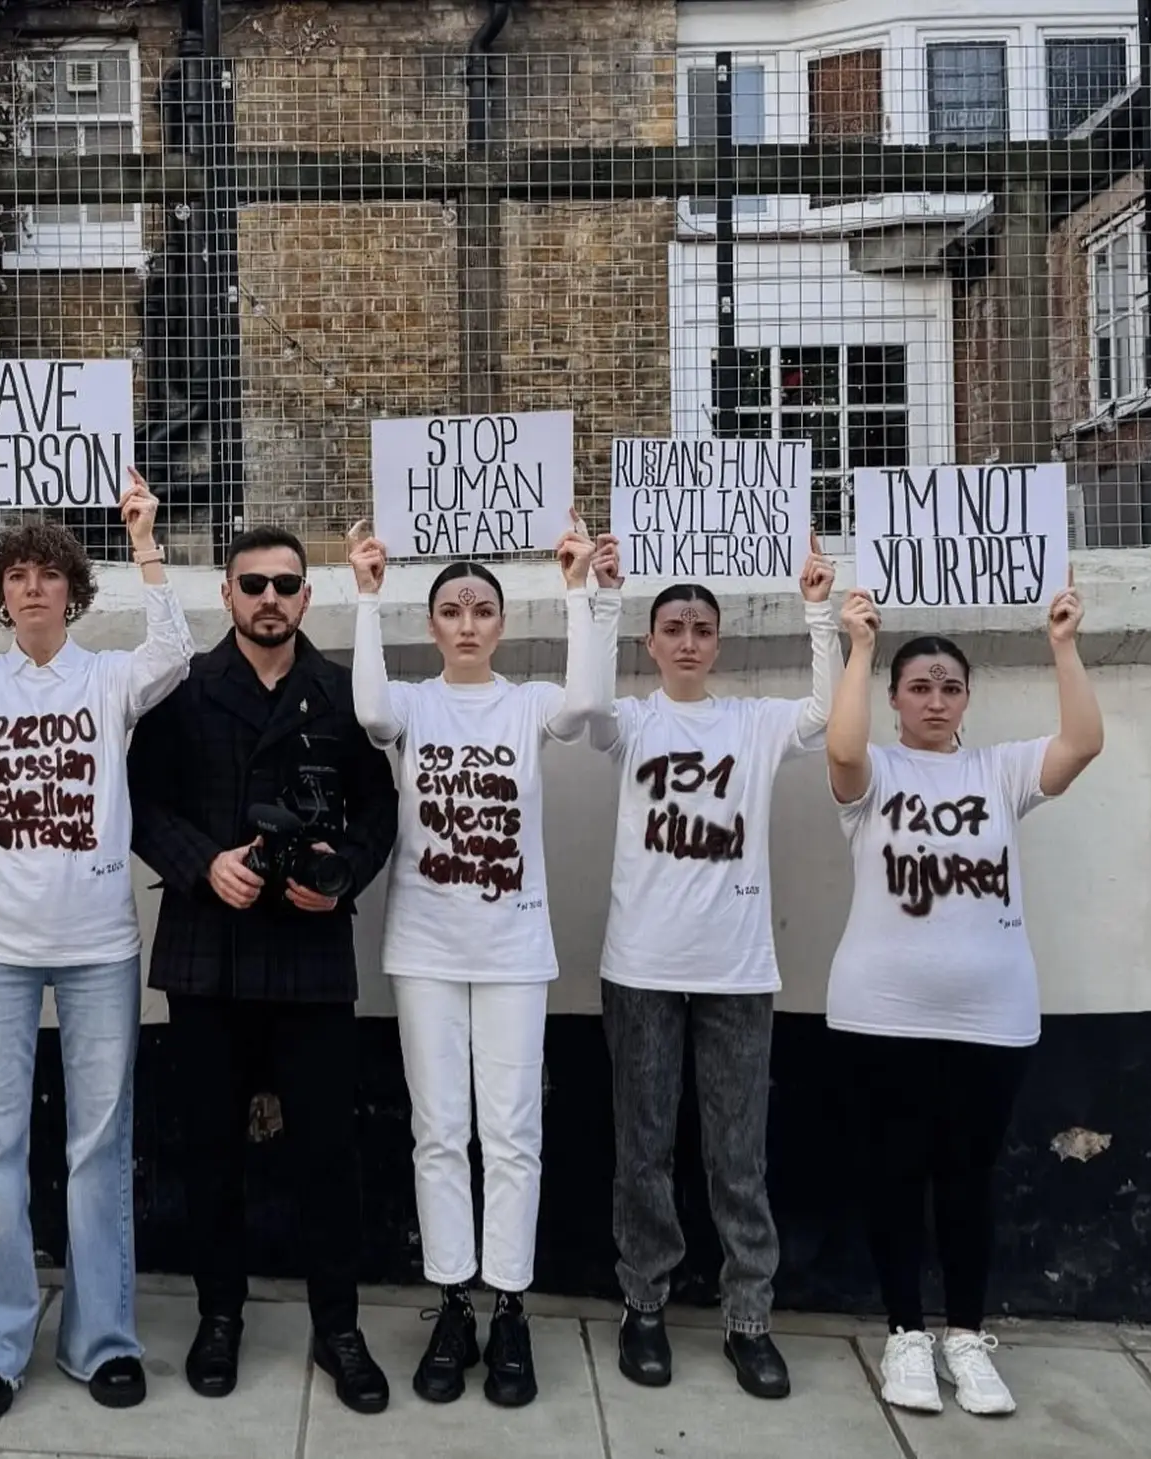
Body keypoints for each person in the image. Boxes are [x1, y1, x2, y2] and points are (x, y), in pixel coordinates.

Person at [0, 463, 192, 1418]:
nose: (31, 587)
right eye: (15, 574)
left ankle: (103, 1340)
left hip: (100, 945)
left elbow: (174, 652)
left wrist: (144, 538)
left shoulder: (108, 677)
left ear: (71, 589)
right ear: (0, 592)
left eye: (47, 573)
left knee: (100, 1146)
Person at [127, 526, 399, 1414]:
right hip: (208, 950)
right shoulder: (182, 689)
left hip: (310, 952)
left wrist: (344, 873)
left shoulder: (344, 693)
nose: (270, 598)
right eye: (254, 584)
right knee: (209, 1149)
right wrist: (203, 864)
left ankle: (339, 1327)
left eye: (286, 584)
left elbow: (381, 809)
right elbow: (140, 801)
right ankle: (219, 1316)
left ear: (307, 597)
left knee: (329, 1153)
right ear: (228, 594)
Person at [824, 580, 1102, 1418]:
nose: (935, 699)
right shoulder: (876, 772)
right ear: (895, 699)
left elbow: (1082, 743)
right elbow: (841, 748)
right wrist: (860, 647)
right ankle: (905, 1332)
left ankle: (966, 1335)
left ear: (968, 697)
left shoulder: (999, 769)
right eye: (918, 686)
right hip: (881, 1012)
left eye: (950, 686)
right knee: (894, 1173)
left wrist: (1063, 646)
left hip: (992, 1016)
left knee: (968, 1179)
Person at [344, 515, 604, 1407]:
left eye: (481, 610)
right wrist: (366, 597)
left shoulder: (527, 702)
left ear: (500, 623)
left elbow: (585, 705)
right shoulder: (413, 703)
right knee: (439, 1130)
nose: (466, 623)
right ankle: (453, 1299)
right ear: (432, 625)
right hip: (425, 945)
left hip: (513, 949)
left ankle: (511, 1305)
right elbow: (369, 710)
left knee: (513, 1133)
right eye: (451, 610)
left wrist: (578, 589)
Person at [587, 531, 838, 1400]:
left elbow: (825, 713)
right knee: (643, 1147)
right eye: (673, 628)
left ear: (718, 642)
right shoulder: (631, 722)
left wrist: (818, 610)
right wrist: (600, 596)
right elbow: (585, 707)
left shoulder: (753, 723)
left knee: (738, 1153)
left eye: (701, 628)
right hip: (641, 966)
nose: (688, 641)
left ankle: (748, 1316)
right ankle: (644, 1302)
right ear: (651, 643)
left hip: (737, 969)